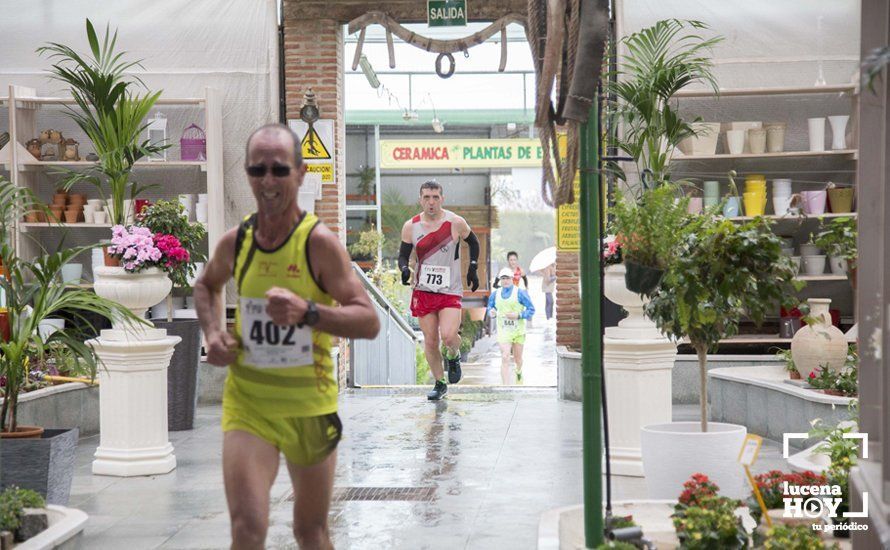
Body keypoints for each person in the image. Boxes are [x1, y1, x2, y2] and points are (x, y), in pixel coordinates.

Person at [194, 123, 380, 550]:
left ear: (300, 172)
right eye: (258, 170)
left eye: (279, 170)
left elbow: (368, 320)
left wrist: (308, 312)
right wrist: (213, 334)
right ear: (247, 174)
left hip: (308, 408)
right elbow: (206, 285)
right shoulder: (237, 242)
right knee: (246, 526)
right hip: (249, 405)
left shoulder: (318, 244)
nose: (268, 181)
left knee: (309, 531)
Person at [399, 180, 480, 401]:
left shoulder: (455, 222)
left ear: (442, 199)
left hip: (450, 290)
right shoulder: (411, 226)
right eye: (426, 197)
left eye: (435, 197)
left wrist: (473, 269)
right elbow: (403, 255)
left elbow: (474, 243)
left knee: (448, 336)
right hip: (424, 290)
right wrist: (405, 269)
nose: (431, 202)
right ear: (420, 200)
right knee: (431, 340)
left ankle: (453, 356)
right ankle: (440, 382)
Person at [488, 267, 535, 383]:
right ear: (499, 280)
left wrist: (518, 315)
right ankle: (506, 386)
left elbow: (531, 309)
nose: (505, 281)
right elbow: (490, 307)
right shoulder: (495, 294)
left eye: (507, 278)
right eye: (503, 278)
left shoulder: (520, 293)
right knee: (505, 356)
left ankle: (518, 372)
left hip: (518, 331)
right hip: (504, 330)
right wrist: (491, 312)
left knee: (518, 359)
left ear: (512, 279)